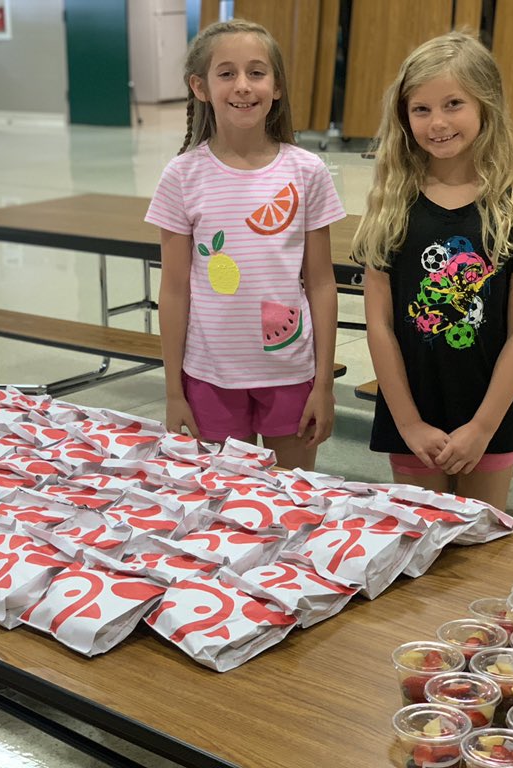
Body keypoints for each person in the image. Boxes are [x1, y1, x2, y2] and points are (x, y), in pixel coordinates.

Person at [352, 31, 513, 511]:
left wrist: (483, 426)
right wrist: (408, 423)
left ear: (486, 107)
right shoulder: (389, 206)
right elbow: (379, 326)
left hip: (490, 415)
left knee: (477, 550)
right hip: (411, 418)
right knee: (419, 553)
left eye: (453, 104)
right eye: (421, 109)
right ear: (403, 117)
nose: (437, 122)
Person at [144, 19, 346, 471]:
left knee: (292, 502)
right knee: (225, 507)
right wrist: (174, 391)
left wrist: (323, 385)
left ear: (276, 87)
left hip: (291, 371)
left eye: (257, 72)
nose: (243, 86)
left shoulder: (307, 171)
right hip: (208, 374)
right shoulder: (181, 176)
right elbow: (175, 290)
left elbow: (320, 283)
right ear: (200, 86)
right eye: (226, 73)